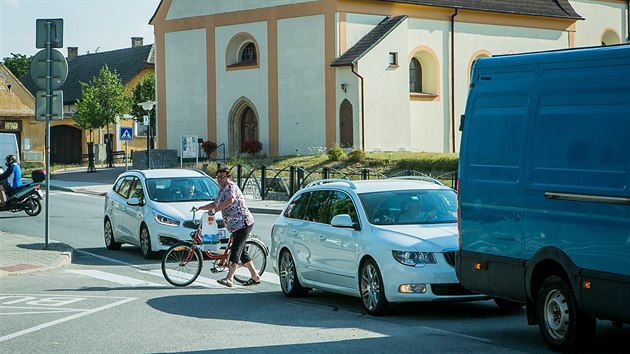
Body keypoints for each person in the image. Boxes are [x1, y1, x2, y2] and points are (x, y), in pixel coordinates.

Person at [193, 167, 259, 287]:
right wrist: (200, 208)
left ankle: (229, 279)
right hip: (234, 225)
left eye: (222, 177)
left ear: (228, 177)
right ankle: (255, 276)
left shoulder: (230, 187)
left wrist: (215, 211)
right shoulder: (221, 190)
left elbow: (230, 200)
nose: (220, 179)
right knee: (242, 252)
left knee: (235, 251)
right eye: (218, 177)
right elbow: (215, 203)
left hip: (242, 223)